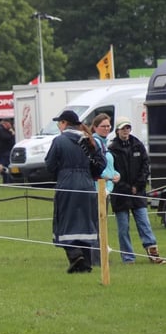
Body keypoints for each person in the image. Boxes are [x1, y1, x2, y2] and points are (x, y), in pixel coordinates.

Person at [45, 110, 106, 273]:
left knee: (65, 222)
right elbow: (101, 164)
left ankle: (75, 255)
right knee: (85, 223)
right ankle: (85, 264)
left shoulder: (59, 141)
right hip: (87, 185)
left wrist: (62, 171)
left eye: (59, 122)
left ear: (64, 123)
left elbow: (49, 164)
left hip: (67, 184)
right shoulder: (89, 140)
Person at [108, 116, 164, 264]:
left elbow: (145, 167)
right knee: (123, 228)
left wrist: (138, 185)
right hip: (120, 194)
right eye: (123, 128)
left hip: (138, 192)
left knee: (144, 224)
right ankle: (128, 258)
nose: (126, 130)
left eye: (128, 127)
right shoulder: (112, 149)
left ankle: (154, 254)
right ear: (117, 130)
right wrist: (127, 188)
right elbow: (112, 173)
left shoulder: (138, 145)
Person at [90, 113, 120, 266]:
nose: (107, 128)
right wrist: (107, 176)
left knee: (102, 223)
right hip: (97, 189)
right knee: (97, 224)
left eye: (108, 126)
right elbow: (94, 166)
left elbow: (109, 166)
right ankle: (96, 258)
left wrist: (116, 174)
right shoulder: (94, 143)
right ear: (95, 127)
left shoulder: (104, 143)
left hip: (107, 188)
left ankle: (100, 255)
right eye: (103, 126)